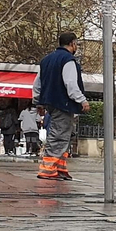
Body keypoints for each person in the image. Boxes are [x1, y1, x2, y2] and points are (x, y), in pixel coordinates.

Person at [34, 32, 89, 181]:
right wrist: (82, 100)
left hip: (50, 102)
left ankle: (59, 168)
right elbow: (71, 84)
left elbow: (38, 83)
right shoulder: (68, 60)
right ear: (72, 44)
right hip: (63, 103)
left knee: (62, 135)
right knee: (59, 136)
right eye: (76, 44)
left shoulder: (46, 60)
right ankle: (48, 170)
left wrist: (38, 101)